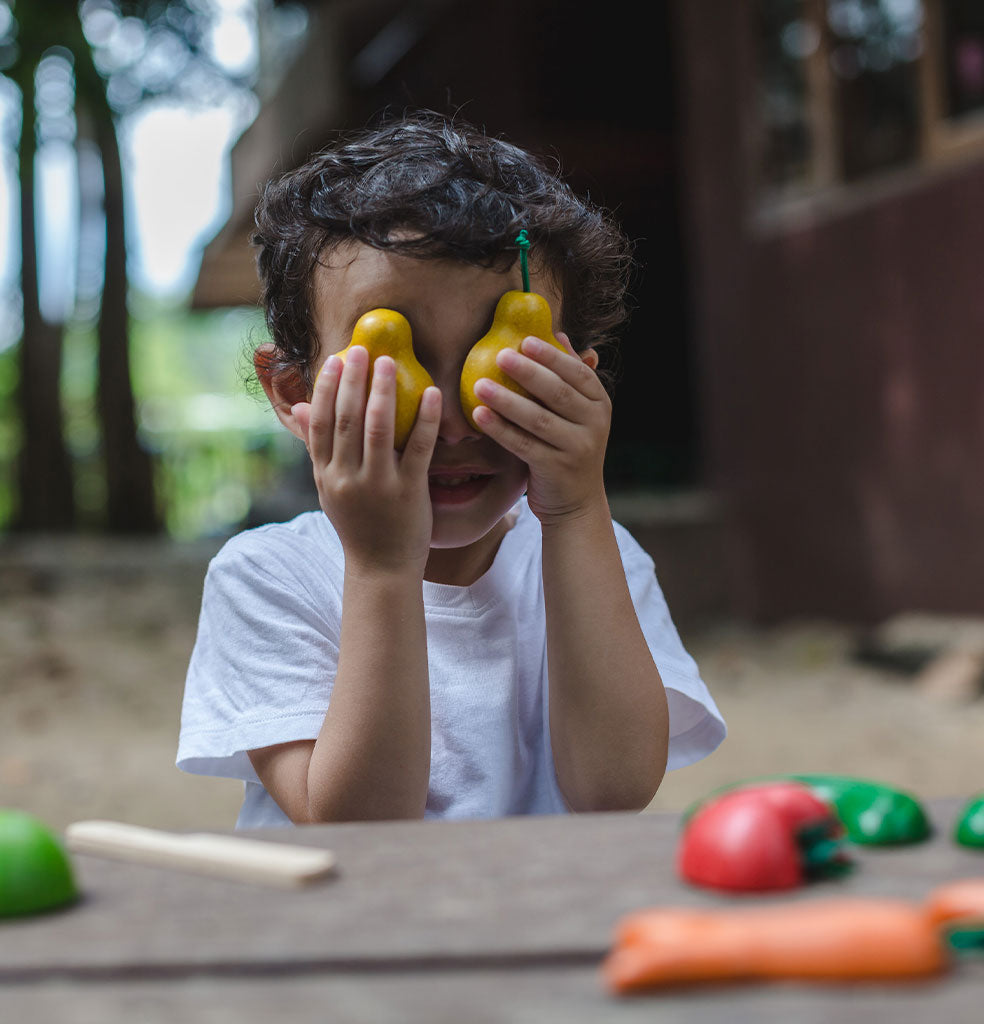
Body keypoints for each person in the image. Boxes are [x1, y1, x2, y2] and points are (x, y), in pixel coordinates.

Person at [177, 111, 725, 828]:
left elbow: (614, 792)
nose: (453, 418)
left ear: (576, 383)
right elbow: (362, 830)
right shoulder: (268, 578)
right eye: (393, 358)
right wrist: (380, 567)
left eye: (495, 356)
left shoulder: (599, 560)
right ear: (295, 390)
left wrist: (577, 509)